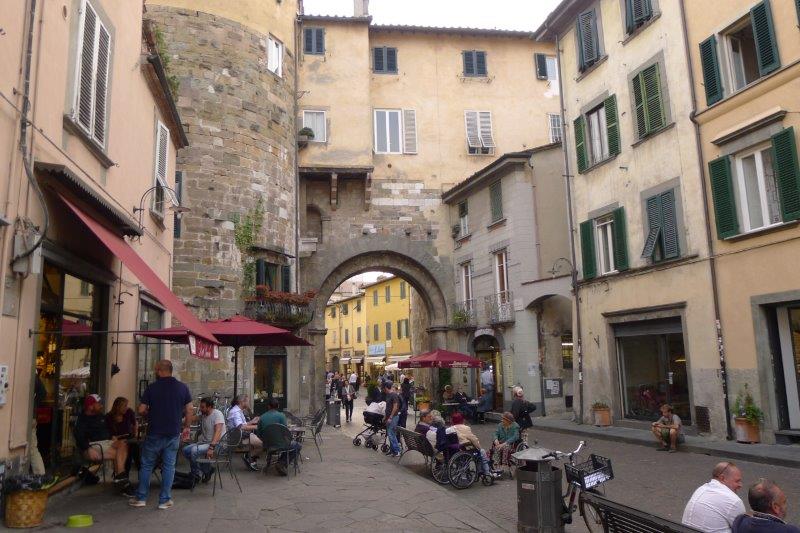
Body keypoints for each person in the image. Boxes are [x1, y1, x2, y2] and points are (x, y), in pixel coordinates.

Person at [130, 360, 193, 510]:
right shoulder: (182, 387)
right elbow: (190, 410)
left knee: (146, 465)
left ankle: (141, 498)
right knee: (169, 466)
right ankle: (164, 500)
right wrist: (186, 426)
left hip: (154, 432)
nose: (154, 372)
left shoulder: (152, 388)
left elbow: (141, 409)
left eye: (155, 370)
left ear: (159, 370)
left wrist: (148, 414)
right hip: (173, 433)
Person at [75, 394, 131, 493]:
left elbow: (105, 432)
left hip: (107, 442)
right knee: (120, 453)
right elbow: (79, 437)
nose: (101, 405)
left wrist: (111, 436)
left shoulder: (100, 416)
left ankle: (120, 478)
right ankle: (121, 479)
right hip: (94, 445)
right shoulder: (82, 420)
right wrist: (88, 448)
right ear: (90, 406)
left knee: (123, 444)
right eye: (99, 403)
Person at [682, 462, 745, 533]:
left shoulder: (701, 489)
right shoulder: (734, 501)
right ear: (722, 478)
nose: (740, 485)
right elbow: (743, 530)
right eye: (737, 481)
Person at [182, 397, 224, 484]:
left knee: (194, 451)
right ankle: (206, 469)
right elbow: (193, 418)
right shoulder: (204, 415)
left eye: (202, 407)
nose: (200, 409)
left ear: (209, 407)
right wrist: (178, 420)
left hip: (217, 443)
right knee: (185, 450)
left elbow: (218, 431)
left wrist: (212, 447)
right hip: (205, 442)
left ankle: (196, 474)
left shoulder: (217, 414)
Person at [732, 479, 800, 533]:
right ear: (775, 507)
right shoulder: (790, 531)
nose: (786, 506)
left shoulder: (739, 522)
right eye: (784, 502)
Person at [256, 398, 301, 475]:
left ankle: (278, 462)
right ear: (278, 406)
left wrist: (266, 440)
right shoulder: (281, 416)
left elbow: (259, 434)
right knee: (297, 445)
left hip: (268, 445)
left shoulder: (262, 417)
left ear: (268, 406)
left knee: (286, 444)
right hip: (281, 444)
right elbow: (285, 432)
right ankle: (282, 463)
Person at [449, 412, 497, 478]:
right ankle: (487, 473)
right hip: (466, 449)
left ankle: (464, 476)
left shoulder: (449, 429)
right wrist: (479, 448)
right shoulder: (465, 428)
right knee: (482, 452)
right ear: (462, 420)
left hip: (455, 450)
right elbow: (473, 439)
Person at [227, 394, 262, 471]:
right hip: (238, 437)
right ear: (242, 402)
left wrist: (252, 422)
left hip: (239, 435)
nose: (249, 403)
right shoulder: (236, 412)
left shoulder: (238, 410)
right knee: (263, 444)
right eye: (248, 402)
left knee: (260, 440)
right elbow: (241, 427)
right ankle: (249, 457)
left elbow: (242, 425)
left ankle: (251, 458)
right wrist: (256, 427)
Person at [105, 397, 139, 475]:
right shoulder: (109, 417)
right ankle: (123, 474)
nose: (126, 408)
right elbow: (107, 432)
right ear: (118, 407)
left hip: (129, 438)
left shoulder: (129, 412)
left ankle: (124, 474)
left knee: (132, 446)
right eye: (124, 406)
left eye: (127, 406)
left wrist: (135, 433)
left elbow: (135, 423)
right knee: (129, 447)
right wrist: (112, 437)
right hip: (116, 441)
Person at [383, 381, 402, 457]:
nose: (383, 389)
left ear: (386, 388)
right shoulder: (388, 395)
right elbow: (388, 407)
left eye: (384, 388)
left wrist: (390, 417)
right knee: (390, 433)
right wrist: (385, 416)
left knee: (391, 434)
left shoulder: (393, 395)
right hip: (389, 416)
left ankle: (397, 450)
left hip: (393, 417)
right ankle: (392, 450)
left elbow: (395, 406)